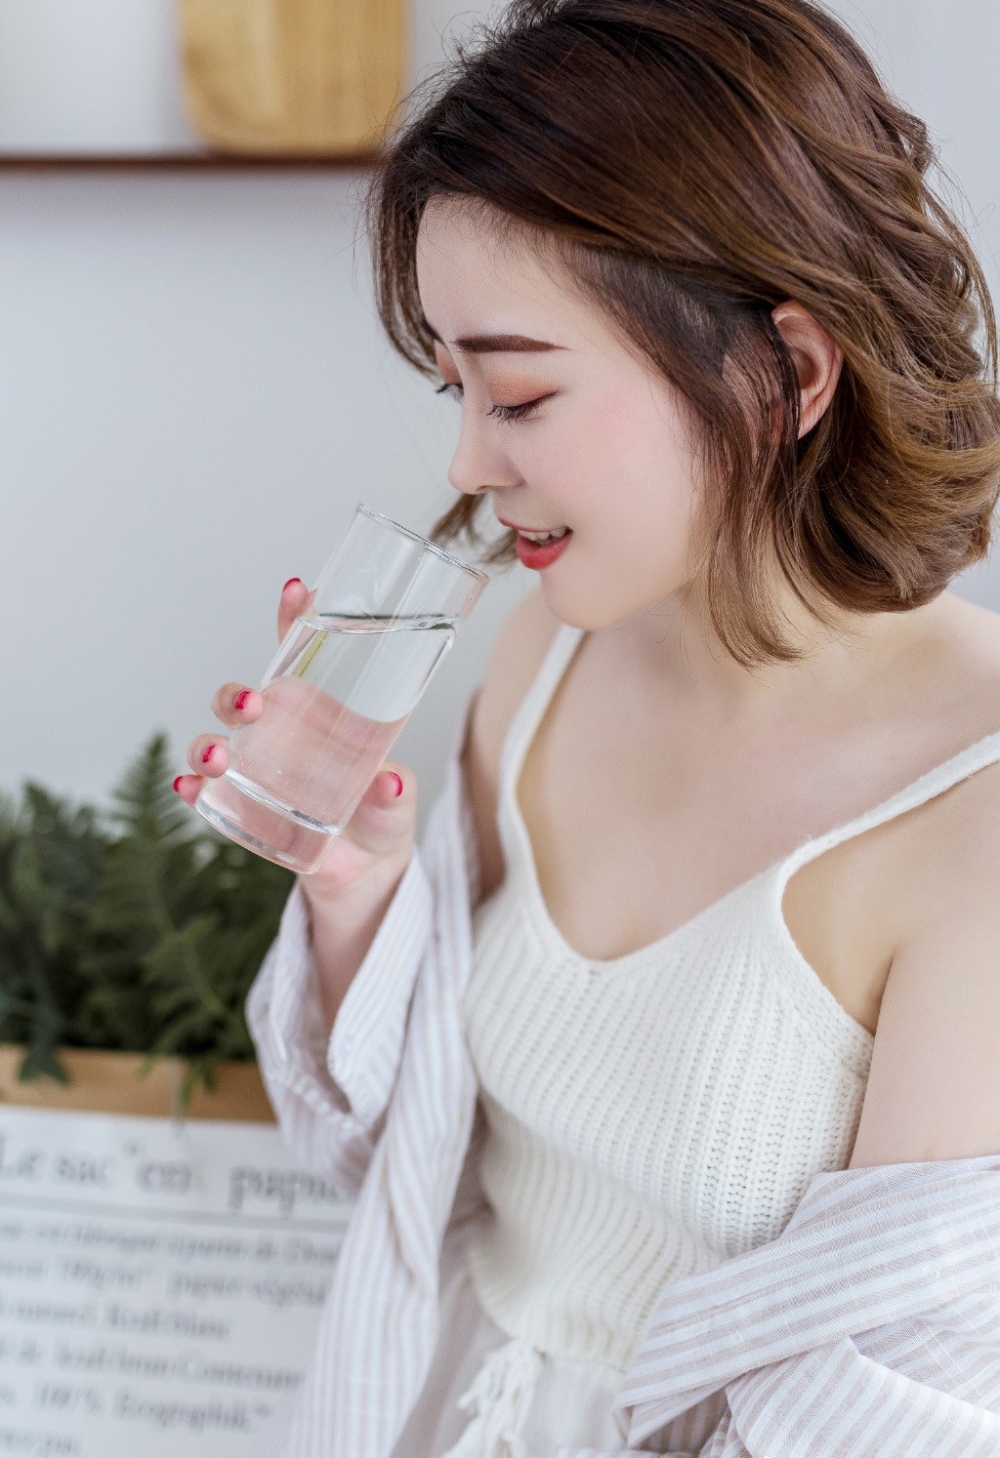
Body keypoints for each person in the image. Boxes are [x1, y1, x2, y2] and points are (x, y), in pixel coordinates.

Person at [175, 1, 1000, 1453]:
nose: (466, 458)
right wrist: (358, 894)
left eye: (522, 393)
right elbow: (408, 1164)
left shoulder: (969, 811)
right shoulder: (545, 656)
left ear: (785, 375)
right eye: (456, 388)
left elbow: (902, 1409)